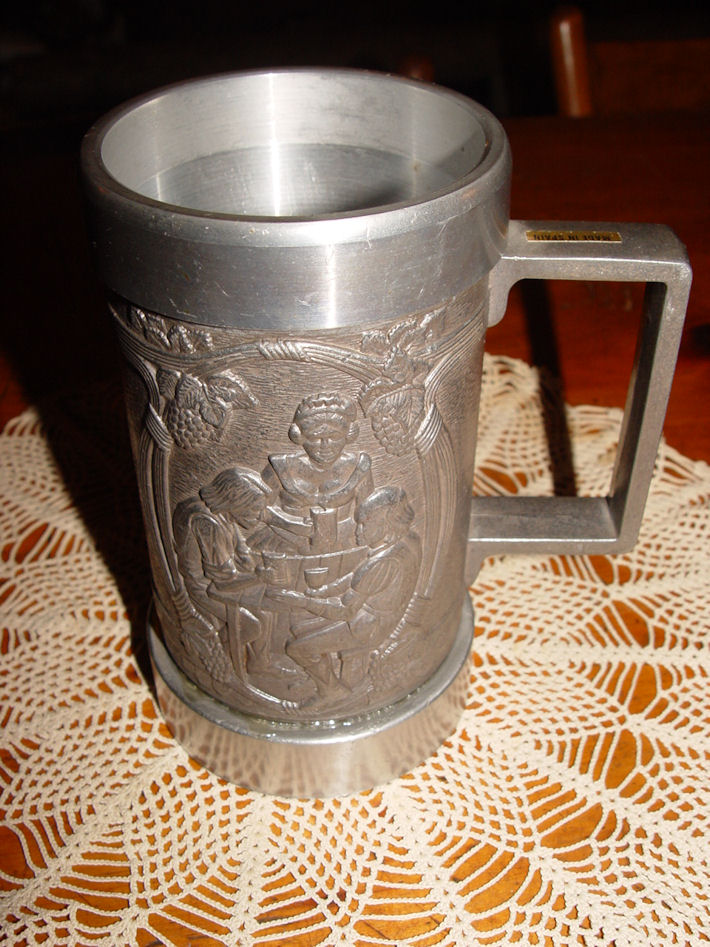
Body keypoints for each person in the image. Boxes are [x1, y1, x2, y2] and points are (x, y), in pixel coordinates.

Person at [268, 486, 421, 697]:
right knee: (299, 628)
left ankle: (332, 692)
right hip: (373, 618)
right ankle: (319, 677)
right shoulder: (404, 543)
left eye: (364, 524)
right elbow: (355, 578)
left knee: (296, 648)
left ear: (385, 525)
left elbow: (344, 611)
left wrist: (301, 601)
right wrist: (324, 591)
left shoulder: (382, 563)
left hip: (367, 627)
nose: (358, 531)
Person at [172, 466, 271, 681]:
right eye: (254, 509)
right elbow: (223, 582)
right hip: (203, 589)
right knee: (251, 626)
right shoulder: (208, 523)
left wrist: (250, 561)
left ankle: (259, 665)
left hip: (219, 583)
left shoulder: (225, 515)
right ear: (237, 502)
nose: (259, 516)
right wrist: (260, 577)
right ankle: (222, 659)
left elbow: (242, 552)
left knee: (266, 613)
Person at [260, 393, 374, 554]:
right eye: (315, 438)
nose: (325, 445)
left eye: (335, 436)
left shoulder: (359, 467)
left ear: (348, 435)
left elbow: (371, 513)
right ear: (299, 436)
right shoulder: (279, 467)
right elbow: (256, 509)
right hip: (283, 544)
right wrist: (292, 524)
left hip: (345, 546)